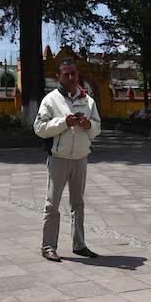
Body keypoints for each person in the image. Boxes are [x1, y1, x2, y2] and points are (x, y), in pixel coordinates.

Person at [33, 58, 102, 262]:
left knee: (78, 204)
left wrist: (89, 125)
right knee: (52, 204)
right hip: (59, 159)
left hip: (81, 158)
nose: (71, 77)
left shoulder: (88, 101)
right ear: (58, 77)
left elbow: (97, 128)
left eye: (74, 73)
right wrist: (64, 122)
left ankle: (79, 245)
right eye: (66, 74)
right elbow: (39, 128)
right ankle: (48, 246)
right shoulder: (51, 100)